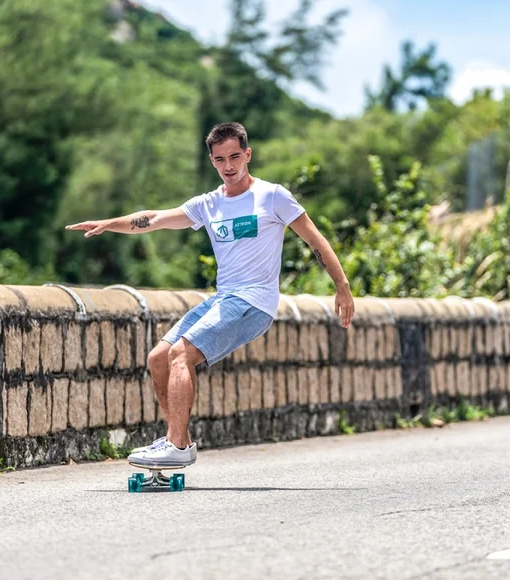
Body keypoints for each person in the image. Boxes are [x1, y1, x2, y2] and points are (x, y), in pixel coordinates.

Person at [65, 122, 355, 467]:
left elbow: (315, 240)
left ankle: (175, 445)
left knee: (180, 354)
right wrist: (108, 224)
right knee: (159, 358)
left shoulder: (272, 196)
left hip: (253, 302)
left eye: (235, 157)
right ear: (212, 161)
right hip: (224, 298)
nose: (228, 166)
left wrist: (342, 286)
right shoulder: (209, 204)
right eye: (220, 159)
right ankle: (180, 441)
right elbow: (154, 218)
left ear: (247, 155)